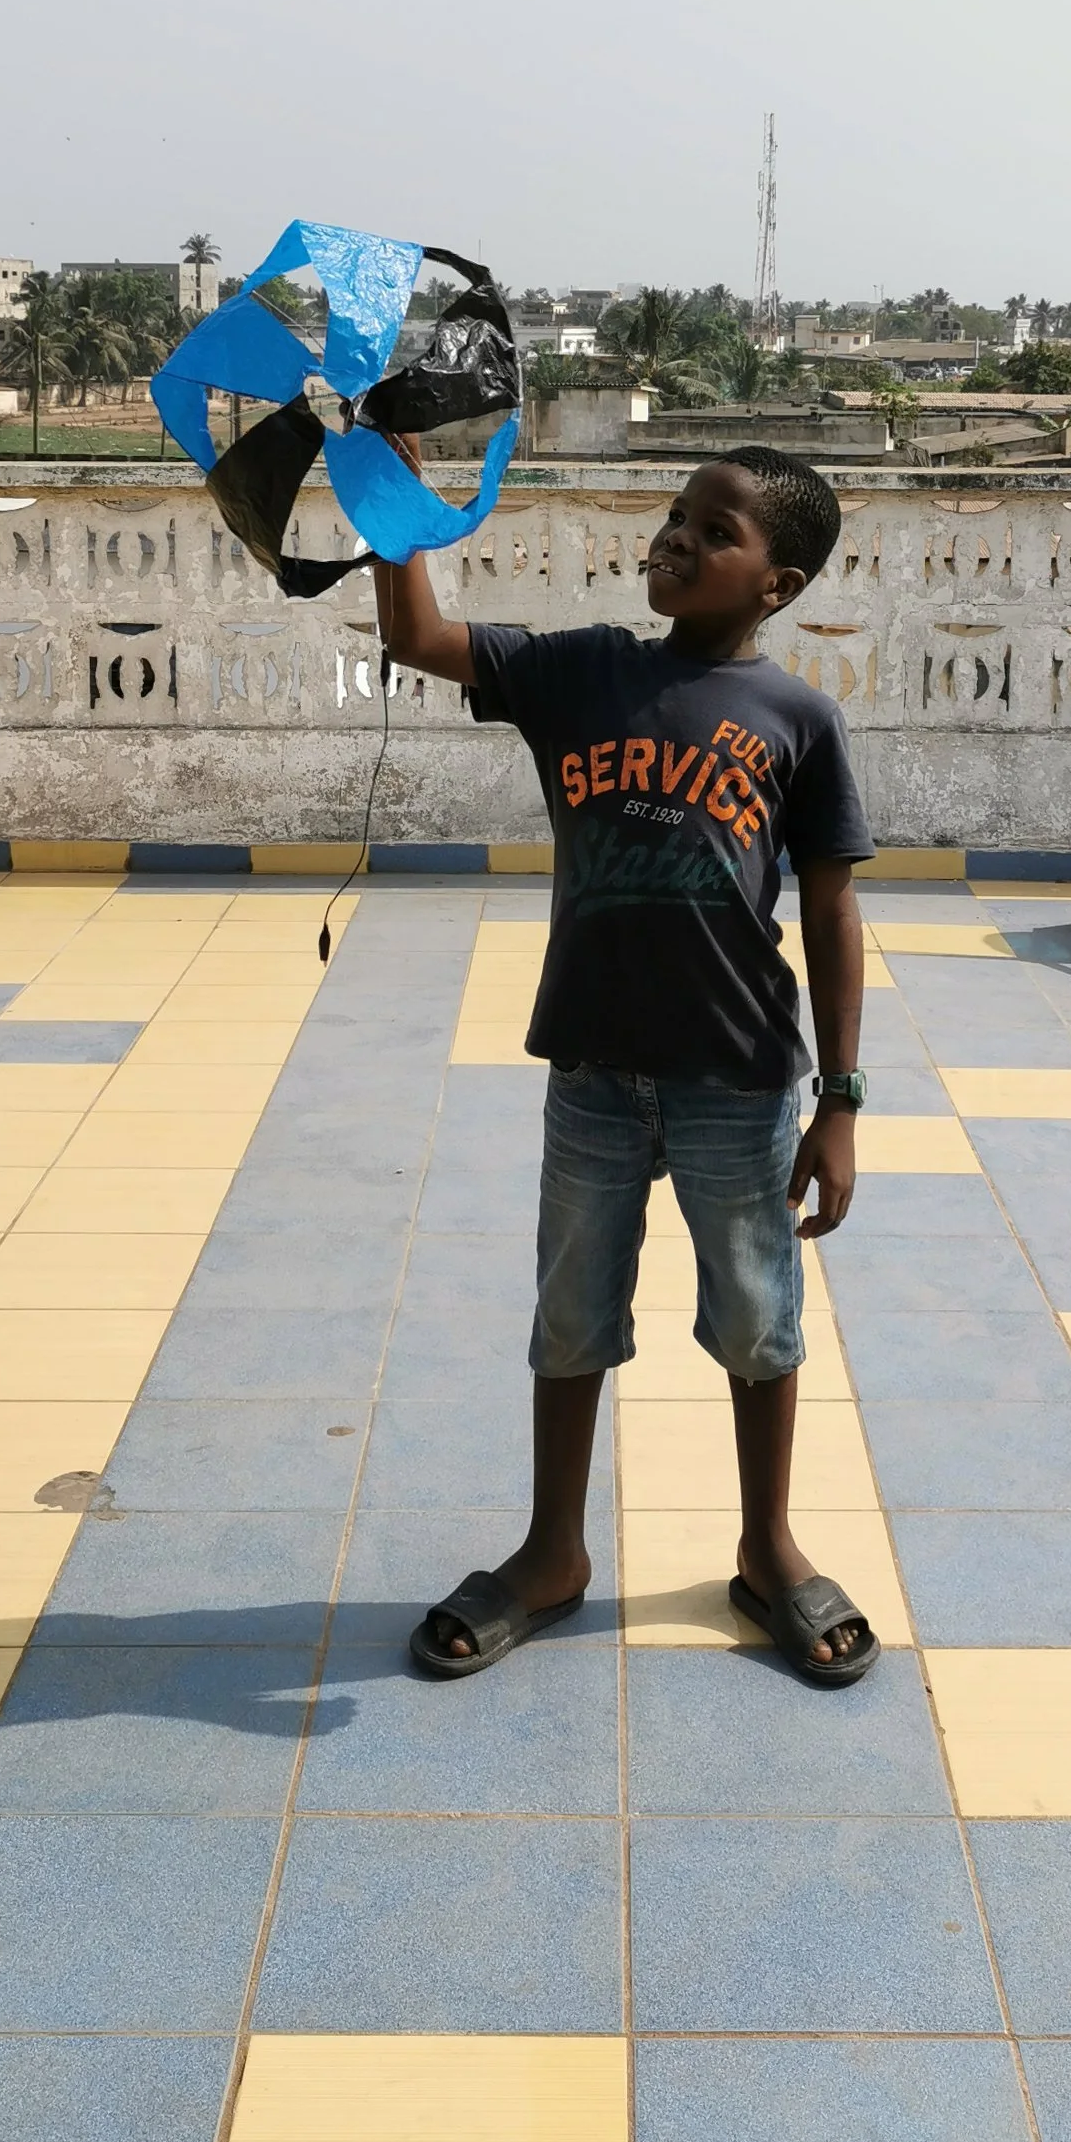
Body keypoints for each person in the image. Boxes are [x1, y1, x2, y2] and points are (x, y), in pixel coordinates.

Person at [372, 443, 879, 1687]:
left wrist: (842, 1101)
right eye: (675, 517)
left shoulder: (798, 720)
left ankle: (766, 1548)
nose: (677, 540)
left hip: (741, 1077)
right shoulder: (580, 670)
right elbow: (421, 637)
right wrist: (391, 507)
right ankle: (552, 1555)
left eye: (716, 531)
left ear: (779, 579)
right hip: (593, 1071)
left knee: (760, 1325)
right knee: (570, 1313)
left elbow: (829, 912)